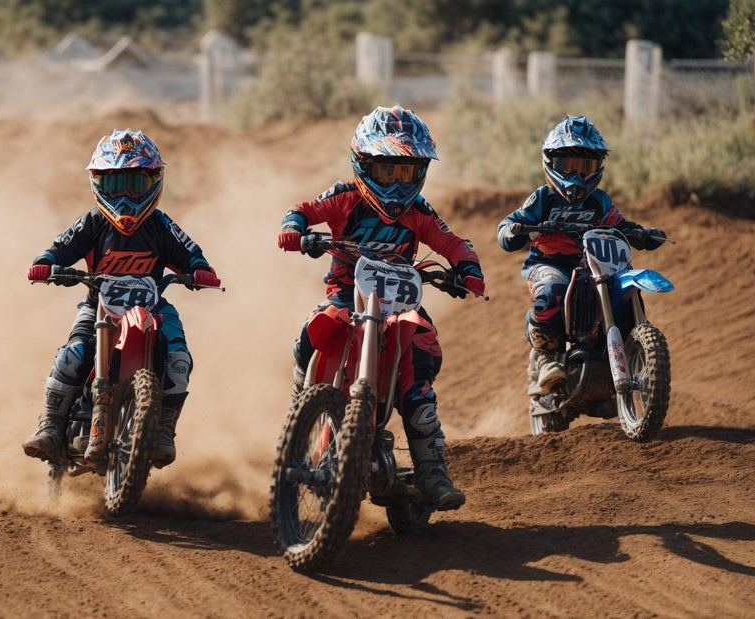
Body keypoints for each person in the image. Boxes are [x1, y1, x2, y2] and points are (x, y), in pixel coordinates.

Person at [276, 105, 485, 511]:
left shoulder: (419, 212)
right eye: (388, 170)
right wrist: (295, 230)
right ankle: (300, 409)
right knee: (309, 336)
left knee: (420, 367)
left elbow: (454, 243)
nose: (397, 181)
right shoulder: (344, 198)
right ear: (363, 163)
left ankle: (432, 469)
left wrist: (468, 270)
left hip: (400, 305)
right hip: (345, 294)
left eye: (406, 172)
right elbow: (302, 210)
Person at [22, 129, 220, 468]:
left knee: (179, 360)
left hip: (153, 308)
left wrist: (200, 270)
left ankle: (162, 432)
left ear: (154, 182)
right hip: (97, 306)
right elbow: (58, 248)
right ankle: (51, 425)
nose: (126, 196)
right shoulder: (93, 223)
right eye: (116, 185)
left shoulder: (160, 225)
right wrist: (46, 265)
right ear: (99, 184)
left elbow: (191, 253)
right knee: (72, 355)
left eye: (136, 184)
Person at [496, 115, 665, 396]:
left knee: (621, 290)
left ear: (597, 167)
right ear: (551, 163)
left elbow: (619, 224)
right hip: (549, 263)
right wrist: (513, 232)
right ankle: (546, 358)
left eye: (584, 167)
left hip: (594, 264)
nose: (575, 175)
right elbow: (508, 225)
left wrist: (642, 234)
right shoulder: (543, 198)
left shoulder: (600, 202)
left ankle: (628, 349)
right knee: (552, 291)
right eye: (568, 166)